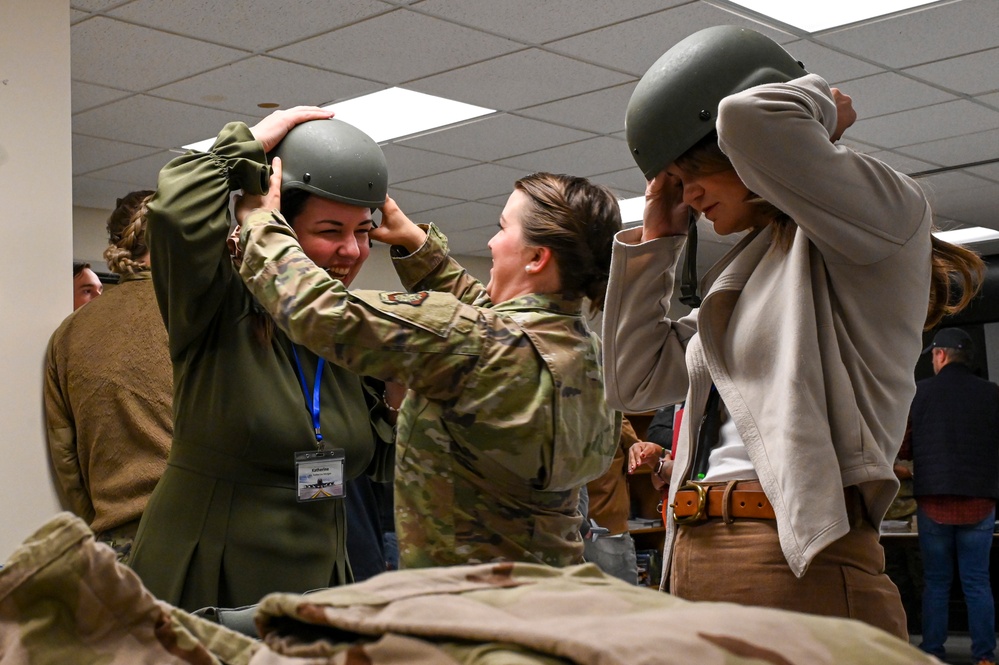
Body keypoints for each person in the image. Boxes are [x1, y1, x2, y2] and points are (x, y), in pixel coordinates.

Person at [601, 25, 984, 638]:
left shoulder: (878, 224)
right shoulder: (750, 275)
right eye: (675, 179)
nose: (688, 191)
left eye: (695, 168)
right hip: (693, 550)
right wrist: (659, 241)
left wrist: (819, 108)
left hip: (789, 553)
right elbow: (632, 379)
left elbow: (751, 116)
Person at [235, 124, 621, 568]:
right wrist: (418, 247)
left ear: (537, 258)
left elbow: (319, 310)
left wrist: (260, 221)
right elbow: (493, 323)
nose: (492, 242)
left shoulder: (474, 341)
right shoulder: (585, 349)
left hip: (467, 603)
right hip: (553, 583)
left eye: (502, 229)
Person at [127, 108, 396, 611]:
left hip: (318, 581)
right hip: (214, 581)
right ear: (278, 227)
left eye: (363, 231)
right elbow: (175, 214)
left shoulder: (340, 331)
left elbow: (377, 459)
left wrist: (401, 402)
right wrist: (246, 146)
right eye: (331, 230)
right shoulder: (217, 304)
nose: (352, 250)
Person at [45, 190, 172, 562]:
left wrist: (104, 527)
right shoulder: (198, 315)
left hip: (115, 549)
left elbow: (65, 456)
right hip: (199, 541)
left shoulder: (69, 333)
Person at [902, 327, 997, 665]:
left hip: (934, 502)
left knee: (937, 583)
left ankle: (931, 653)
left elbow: (904, 446)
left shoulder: (920, 394)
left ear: (940, 355)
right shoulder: (992, 394)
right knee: (977, 582)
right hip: (980, 501)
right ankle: (985, 656)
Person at [582, 416, 641, 584]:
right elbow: (636, 460)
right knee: (622, 603)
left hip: (595, 525)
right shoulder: (611, 415)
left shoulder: (613, 417)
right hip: (603, 524)